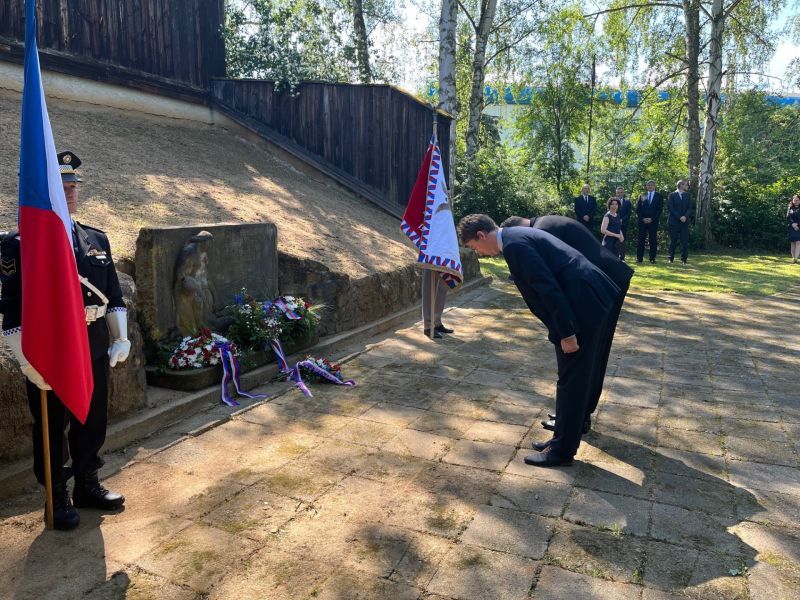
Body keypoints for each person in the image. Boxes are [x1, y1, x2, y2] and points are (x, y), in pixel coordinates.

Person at [0, 151, 130, 530]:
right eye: (63, 186)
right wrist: (27, 362)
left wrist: (121, 338)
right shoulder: (20, 243)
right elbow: (11, 308)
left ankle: (88, 484)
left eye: (74, 186)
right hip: (47, 347)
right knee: (51, 422)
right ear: (48, 191)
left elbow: (113, 297)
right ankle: (56, 495)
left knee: (92, 417)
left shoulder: (95, 238)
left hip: (90, 343)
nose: (71, 192)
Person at [458, 214, 619, 467]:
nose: (477, 253)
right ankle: (560, 440)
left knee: (572, 380)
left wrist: (566, 333)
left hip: (584, 305)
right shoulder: (514, 238)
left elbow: (548, 290)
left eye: (473, 247)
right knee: (569, 378)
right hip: (585, 299)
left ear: (480, 235)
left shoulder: (514, 245)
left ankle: (562, 452)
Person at [500, 215, 633, 442]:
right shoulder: (545, 222)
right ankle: (575, 415)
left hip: (604, 283)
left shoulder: (542, 228)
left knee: (590, 355)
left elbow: (546, 274)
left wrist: (566, 327)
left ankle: (577, 418)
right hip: (604, 280)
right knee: (592, 355)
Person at [636, 180, 664, 263]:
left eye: (652, 185)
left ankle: (652, 258)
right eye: (648, 185)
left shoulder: (659, 196)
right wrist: (643, 218)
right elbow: (638, 209)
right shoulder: (642, 195)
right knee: (641, 240)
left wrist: (652, 219)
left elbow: (660, 210)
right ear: (646, 186)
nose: (650, 186)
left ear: (654, 186)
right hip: (642, 222)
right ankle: (639, 258)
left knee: (653, 240)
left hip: (653, 222)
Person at [422, 271, 453, 339]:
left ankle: (436, 322)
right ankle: (428, 326)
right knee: (430, 284)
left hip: (445, 260)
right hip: (430, 260)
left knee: (442, 285)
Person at [667, 179, 692, 264]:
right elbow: (671, 208)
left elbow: (689, 207)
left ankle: (684, 259)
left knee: (684, 241)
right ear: (681, 185)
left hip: (684, 222)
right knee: (673, 240)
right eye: (685, 184)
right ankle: (671, 258)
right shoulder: (672, 195)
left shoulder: (688, 195)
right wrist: (679, 217)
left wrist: (685, 216)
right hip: (674, 221)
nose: (687, 186)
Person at [614, 186, 633, 261]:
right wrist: (616, 220)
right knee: (614, 240)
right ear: (616, 193)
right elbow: (609, 211)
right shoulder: (613, 201)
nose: (620, 194)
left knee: (622, 240)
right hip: (614, 223)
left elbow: (628, 213)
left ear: (623, 193)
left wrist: (622, 220)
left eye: (621, 192)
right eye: (618, 192)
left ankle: (622, 257)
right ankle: (615, 255)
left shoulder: (627, 202)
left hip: (624, 224)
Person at [787, 194, 800, 263]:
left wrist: (797, 224)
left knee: (798, 242)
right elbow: (788, 217)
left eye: (797, 200)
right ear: (792, 200)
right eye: (794, 200)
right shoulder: (790, 207)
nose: (796, 201)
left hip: (799, 227)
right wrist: (793, 224)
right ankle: (793, 258)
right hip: (791, 227)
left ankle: (796, 258)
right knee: (793, 243)